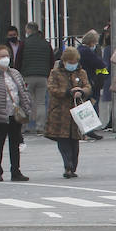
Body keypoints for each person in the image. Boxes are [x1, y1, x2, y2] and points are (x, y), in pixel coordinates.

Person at [0, 45, 31, 181]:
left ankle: (16, 171)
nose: (5, 59)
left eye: (7, 56)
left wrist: (26, 106)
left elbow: (23, 91)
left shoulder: (15, 73)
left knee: (15, 144)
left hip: (15, 115)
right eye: (2, 56)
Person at [44, 47, 92, 179]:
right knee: (63, 139)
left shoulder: (81, 72)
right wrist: (67, 92)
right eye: (70, 61)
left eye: (74, 61)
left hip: (77, 111)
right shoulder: (55, 73)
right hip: (60, 111)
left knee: (75, 141)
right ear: (64, 61)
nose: (72, 64)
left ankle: (73, 166)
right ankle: (68, 166)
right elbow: (52, 88)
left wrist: (81, 91)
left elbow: (88, 86)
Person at [17, 21, 54, 135]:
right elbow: (51, 60)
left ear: (28, 30)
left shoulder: (24, 43)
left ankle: (24, 126)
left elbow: (18, 60)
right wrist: (47, 72)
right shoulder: (46, 44)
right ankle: (40, 127)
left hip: (27, 77)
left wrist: (18, 74)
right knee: (41, 102)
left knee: (25, 101)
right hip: (43, 77)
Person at [76, 30, 108, 140]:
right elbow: (100, 64)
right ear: (91, 42)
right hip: (90, 80)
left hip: (82, 81)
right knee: (90, 105)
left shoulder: (79, 49)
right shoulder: (86, 51)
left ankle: (85, 131)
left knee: (84, 105)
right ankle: (89, 129)